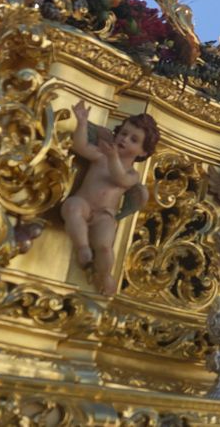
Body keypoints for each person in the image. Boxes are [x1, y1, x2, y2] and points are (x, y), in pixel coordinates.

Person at [61, 101, 159, 296]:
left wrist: (113, 157)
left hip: (104, 216)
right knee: (72, 207)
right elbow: (79, 146)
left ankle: (105, 275)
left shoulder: (132, 174)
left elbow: (119, 178)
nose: (124, 139)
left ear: (143, 152)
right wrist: (82, 122)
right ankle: (82, 248)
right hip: (84, 203)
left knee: (105, 247)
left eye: (134, 139)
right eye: (123, 133)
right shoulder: (101, 156)